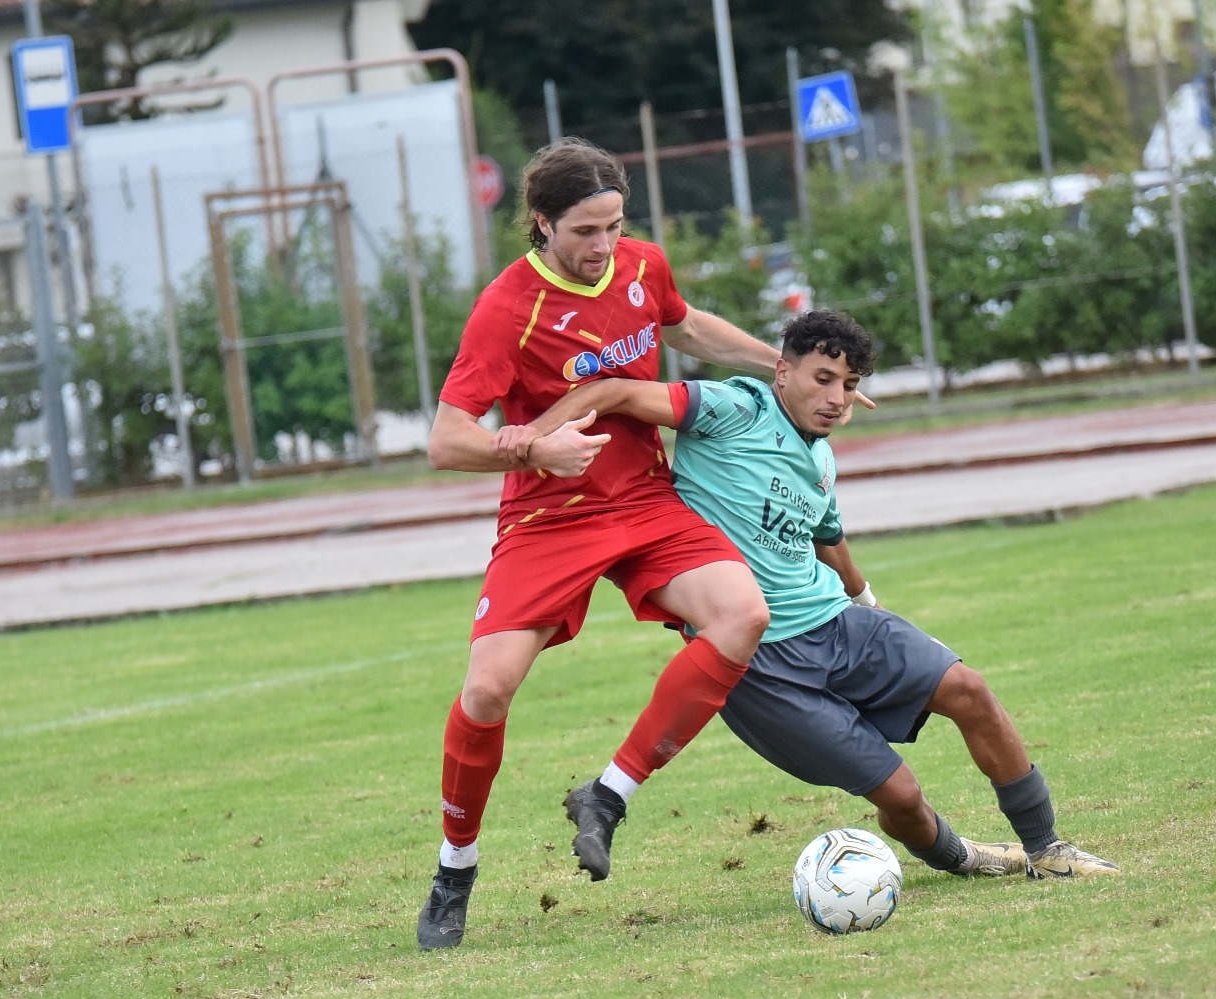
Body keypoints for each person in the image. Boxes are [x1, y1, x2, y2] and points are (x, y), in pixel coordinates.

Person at [496, 310, 1120, 880]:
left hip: (839, 623)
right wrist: (531, 442)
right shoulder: (733, 407)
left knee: (969, 689)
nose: (836, 398)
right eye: (822, 379)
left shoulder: (822, 460)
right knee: (902, 798)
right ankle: (966, 858)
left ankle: (1046, 848)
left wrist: (868, 603)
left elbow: (829, 537)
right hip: (759, 662)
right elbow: (614, 391)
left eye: (848, 385)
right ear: (782, 371)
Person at [416, 138, 810, 951]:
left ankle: (608, 794)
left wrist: (785, 367)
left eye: (614, 226)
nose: (603, 247)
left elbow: (684, 325)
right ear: (542, 223)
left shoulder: (642, 264)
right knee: (487, 692)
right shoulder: (507, 308)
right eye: (584, 232)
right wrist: (534, 447)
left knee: (742, 614)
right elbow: (447, 440)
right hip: (550, 517)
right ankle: (456, 868)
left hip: (644, 501)